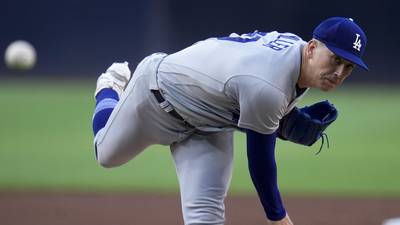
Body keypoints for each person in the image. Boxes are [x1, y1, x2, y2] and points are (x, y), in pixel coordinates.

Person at [91, 17, 368, 225]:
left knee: (207, 219)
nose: (339, 72)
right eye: (335, 59)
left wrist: (284, 120)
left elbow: (251, 97)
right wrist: (279, 219)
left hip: (210, 123)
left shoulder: (295, 60)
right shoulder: (268, 86)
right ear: (311, 48)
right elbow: (261, 163)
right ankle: (110, 86)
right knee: (105, 154)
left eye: (349, 66)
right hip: (157, 96)